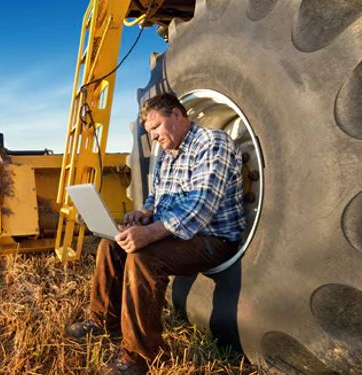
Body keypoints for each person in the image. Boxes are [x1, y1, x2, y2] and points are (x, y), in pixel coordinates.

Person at [66, 93, 246, 375]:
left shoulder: (212, 143)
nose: (153, 137)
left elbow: (200, 207)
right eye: (149, 132)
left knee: (143, 258)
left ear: (177, 115)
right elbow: (158, 196)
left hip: (213, 238)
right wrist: (145, 213)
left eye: (156, 127)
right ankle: (104, 322)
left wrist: (149, 234)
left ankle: (139, 357)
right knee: (110, 245)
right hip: (179, 234)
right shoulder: (166, 152)